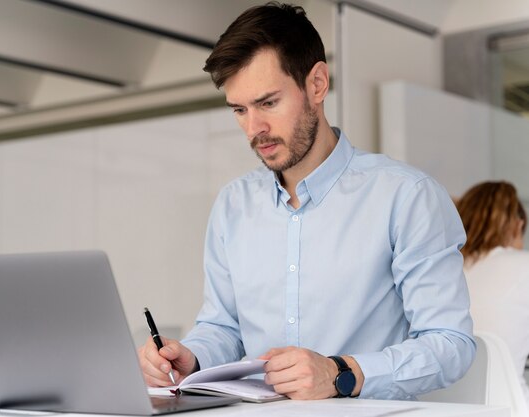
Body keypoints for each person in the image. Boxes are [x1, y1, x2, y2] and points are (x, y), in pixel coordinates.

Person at [139, 2, 474, 400]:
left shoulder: (407, 197)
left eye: (268, 103)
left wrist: (339, 373)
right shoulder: (233, 206)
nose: (254, 128)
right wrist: (188, 359)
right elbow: (223, 327)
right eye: (240, 110)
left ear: (316, 84)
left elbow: (451, 344)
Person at [456, 181, 529, 405]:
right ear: (518, 225)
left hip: (445, 406)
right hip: (510, 406)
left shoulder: (446, 270)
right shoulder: (523, 265)